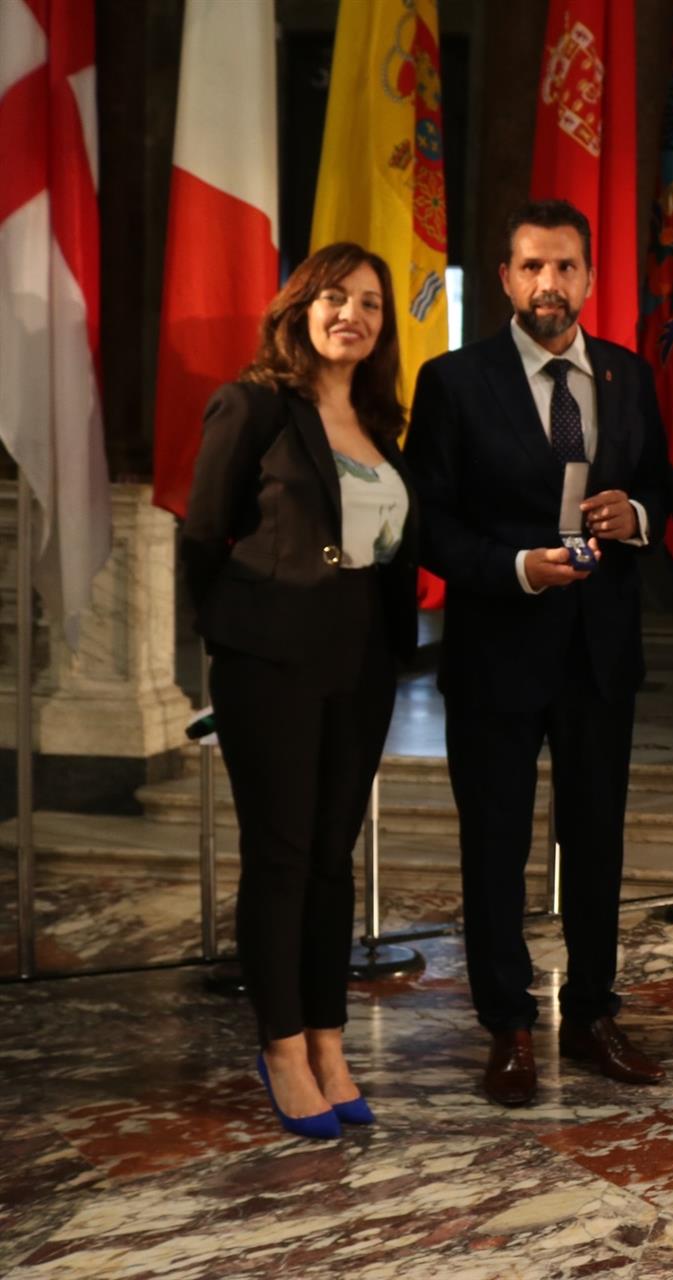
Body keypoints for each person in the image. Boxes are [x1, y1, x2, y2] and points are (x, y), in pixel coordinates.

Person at [406, 200, 673, 1107]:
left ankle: (595, 1014)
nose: (547, 285)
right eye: (530, 268)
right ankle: (509, 1026)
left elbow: (664, 491)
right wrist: (517, 567)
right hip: (497, 648)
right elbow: (429, 524)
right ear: (506, 278)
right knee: (495, 845)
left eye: (564, 267)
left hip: (600, 653)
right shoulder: (454, 381)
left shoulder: (629, 377)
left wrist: (632, 515)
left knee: (597, 842)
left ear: (590, 278)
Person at [182, 243, 419, 1139]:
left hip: (359, 667)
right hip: (270, 667)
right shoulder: (251, 406)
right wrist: (241, 641)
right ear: (298, 307)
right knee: (281, 860)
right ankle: (281, 1046)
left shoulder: (381, 425)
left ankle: (329, 1038)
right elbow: (203, 538)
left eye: (369, 301)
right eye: (332, 297)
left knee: (331, 860)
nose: (350, 313)